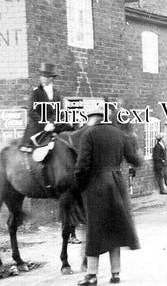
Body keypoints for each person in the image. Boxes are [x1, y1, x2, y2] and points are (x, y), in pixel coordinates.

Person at [74, 104, 142, 285]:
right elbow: (135, 160)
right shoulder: (119, 133)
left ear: (92, 118)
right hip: (117, 184)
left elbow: (82, 166)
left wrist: (81, 186)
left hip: (96, 186)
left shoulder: (88, 134)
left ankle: (91, 275)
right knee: (115, 227)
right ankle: (116, 273)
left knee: (94, 229)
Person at [20, 63, 68, 152]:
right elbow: (31, 112)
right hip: (37, 127)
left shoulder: (56, 93)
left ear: (52, 78)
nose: (45, 79)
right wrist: (45, 124)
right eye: (43, 76)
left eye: (48, 77)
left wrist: (53, 123)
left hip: (52, 127)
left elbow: (60, 112)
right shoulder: (35, 92)